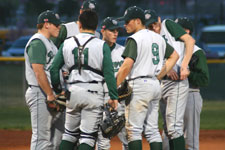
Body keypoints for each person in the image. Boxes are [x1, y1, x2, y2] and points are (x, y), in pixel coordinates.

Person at [49, 10, 118, 150]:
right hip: (94, 92)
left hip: (73, 91)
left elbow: (53, 69)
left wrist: (58, 90)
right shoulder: (101, 45)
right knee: (88, 137)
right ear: (96, 25)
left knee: (69, 135)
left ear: (79, 24)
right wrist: (113, 96)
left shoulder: (67, 43)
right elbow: (109, 73)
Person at [116, 6, 179, 150]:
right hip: (155, 85)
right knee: (152, 130)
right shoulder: (157, 37)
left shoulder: (135, 38)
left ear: (138, 21)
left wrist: (113, 88)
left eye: (127, 22)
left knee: (133, 131)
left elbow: (126, 66)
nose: (125, 25)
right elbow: (174, 55)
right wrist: (159, 75)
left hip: (139, 86)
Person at [145, 9, 195, 150]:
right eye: (149, 26)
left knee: (174, 127)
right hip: (160, 82)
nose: (153, 28)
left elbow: (190, 41)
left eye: (155, 24)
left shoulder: (167, 25)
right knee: (167, 128)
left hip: (176, 82)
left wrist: (184, 65)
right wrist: (167, 66)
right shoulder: (148, 36)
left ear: (159, 20)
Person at [24, 10, 64, 150]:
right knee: (41, 139)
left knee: (56, 139)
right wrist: (50, 94)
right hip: (40, 93)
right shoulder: (37, 42)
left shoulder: (50, 43)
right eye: (56, 24)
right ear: (46, 24)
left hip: (49, 93)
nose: (59, 27)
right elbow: (38, 72)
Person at [176, 17, 209, 150]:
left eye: (178, 29)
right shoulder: (173, 49)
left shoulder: (196, 51)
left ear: (187, 31)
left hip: (191, 94)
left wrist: (189, 74)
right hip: (174, 94)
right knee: (170, 134)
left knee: (191, 138)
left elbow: (204, 79)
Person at [96, 17, 128, 150]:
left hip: (120, 99)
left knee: (127, 136)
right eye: (112, 31)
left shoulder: (122, 51)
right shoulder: (95, 49)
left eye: (117, 31)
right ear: (103, 30)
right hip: (100, 97)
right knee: (103, 137)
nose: (115, 33)